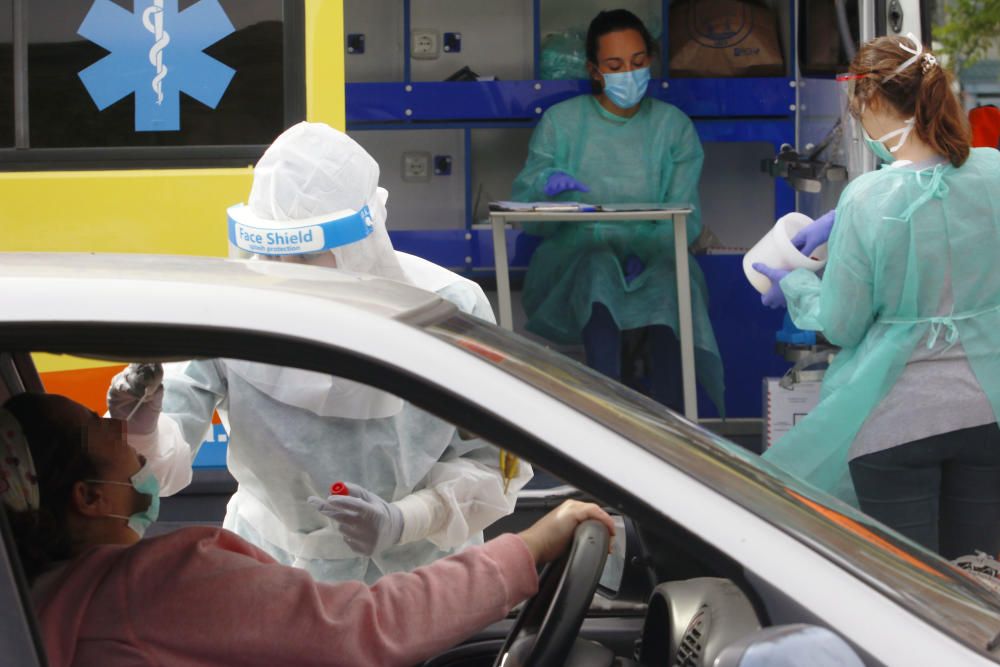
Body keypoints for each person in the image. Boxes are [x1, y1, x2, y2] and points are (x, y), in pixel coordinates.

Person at [107, 122, 532, 583]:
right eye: (273, 255)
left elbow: (499, 464)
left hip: (422, 582)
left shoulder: (444, 310)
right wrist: (144, 431)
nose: (289, 274)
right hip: (268, 571)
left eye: (308, 256)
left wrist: (408, 520)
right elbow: (162, 471)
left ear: (361, 242)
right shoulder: (229, 309)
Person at [0, 393, 613, 667]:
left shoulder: (44, 599)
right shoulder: (157, 584)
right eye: (99, 428)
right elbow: (366, 628)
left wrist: (412, 519)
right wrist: (532, 546)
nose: (119, 426)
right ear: (87, 497)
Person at [754, 34, 1000, 559]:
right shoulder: (994, 173)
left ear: (868, 102)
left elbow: (842, 325)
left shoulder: (869, 198)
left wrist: (795, 286)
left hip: (898, 425)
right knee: (978, 587)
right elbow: (945, 198)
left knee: (910, 591)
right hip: (988, 416)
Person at [511, 9, 724, 414]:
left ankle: (671, 421)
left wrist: (641, 248)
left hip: (657, 253)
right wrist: (545, 184)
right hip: (574, 261)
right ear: (594, 70)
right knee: (598, 271)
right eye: (615, 65)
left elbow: (685, 214)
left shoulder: (673, 128)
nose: (629, 73)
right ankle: (607, 415)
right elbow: (529, 208)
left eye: (638, 63)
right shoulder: (562, 123)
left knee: (667, 279)